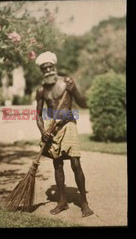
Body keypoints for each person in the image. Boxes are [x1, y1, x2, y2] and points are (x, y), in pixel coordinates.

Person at [35, 51, 94, 217]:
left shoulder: (66, 82)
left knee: (75, 163)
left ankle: (84, 203)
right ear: (41, 70)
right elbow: (38, 114)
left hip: (68, 125)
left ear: (54, 66)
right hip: (51, 128)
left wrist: (74, 91)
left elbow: (83, 104)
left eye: (50, 67)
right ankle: (62, 202)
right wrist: (43, 131)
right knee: (57, 164)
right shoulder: (41, 90)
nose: (47, 70)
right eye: (44, 68)